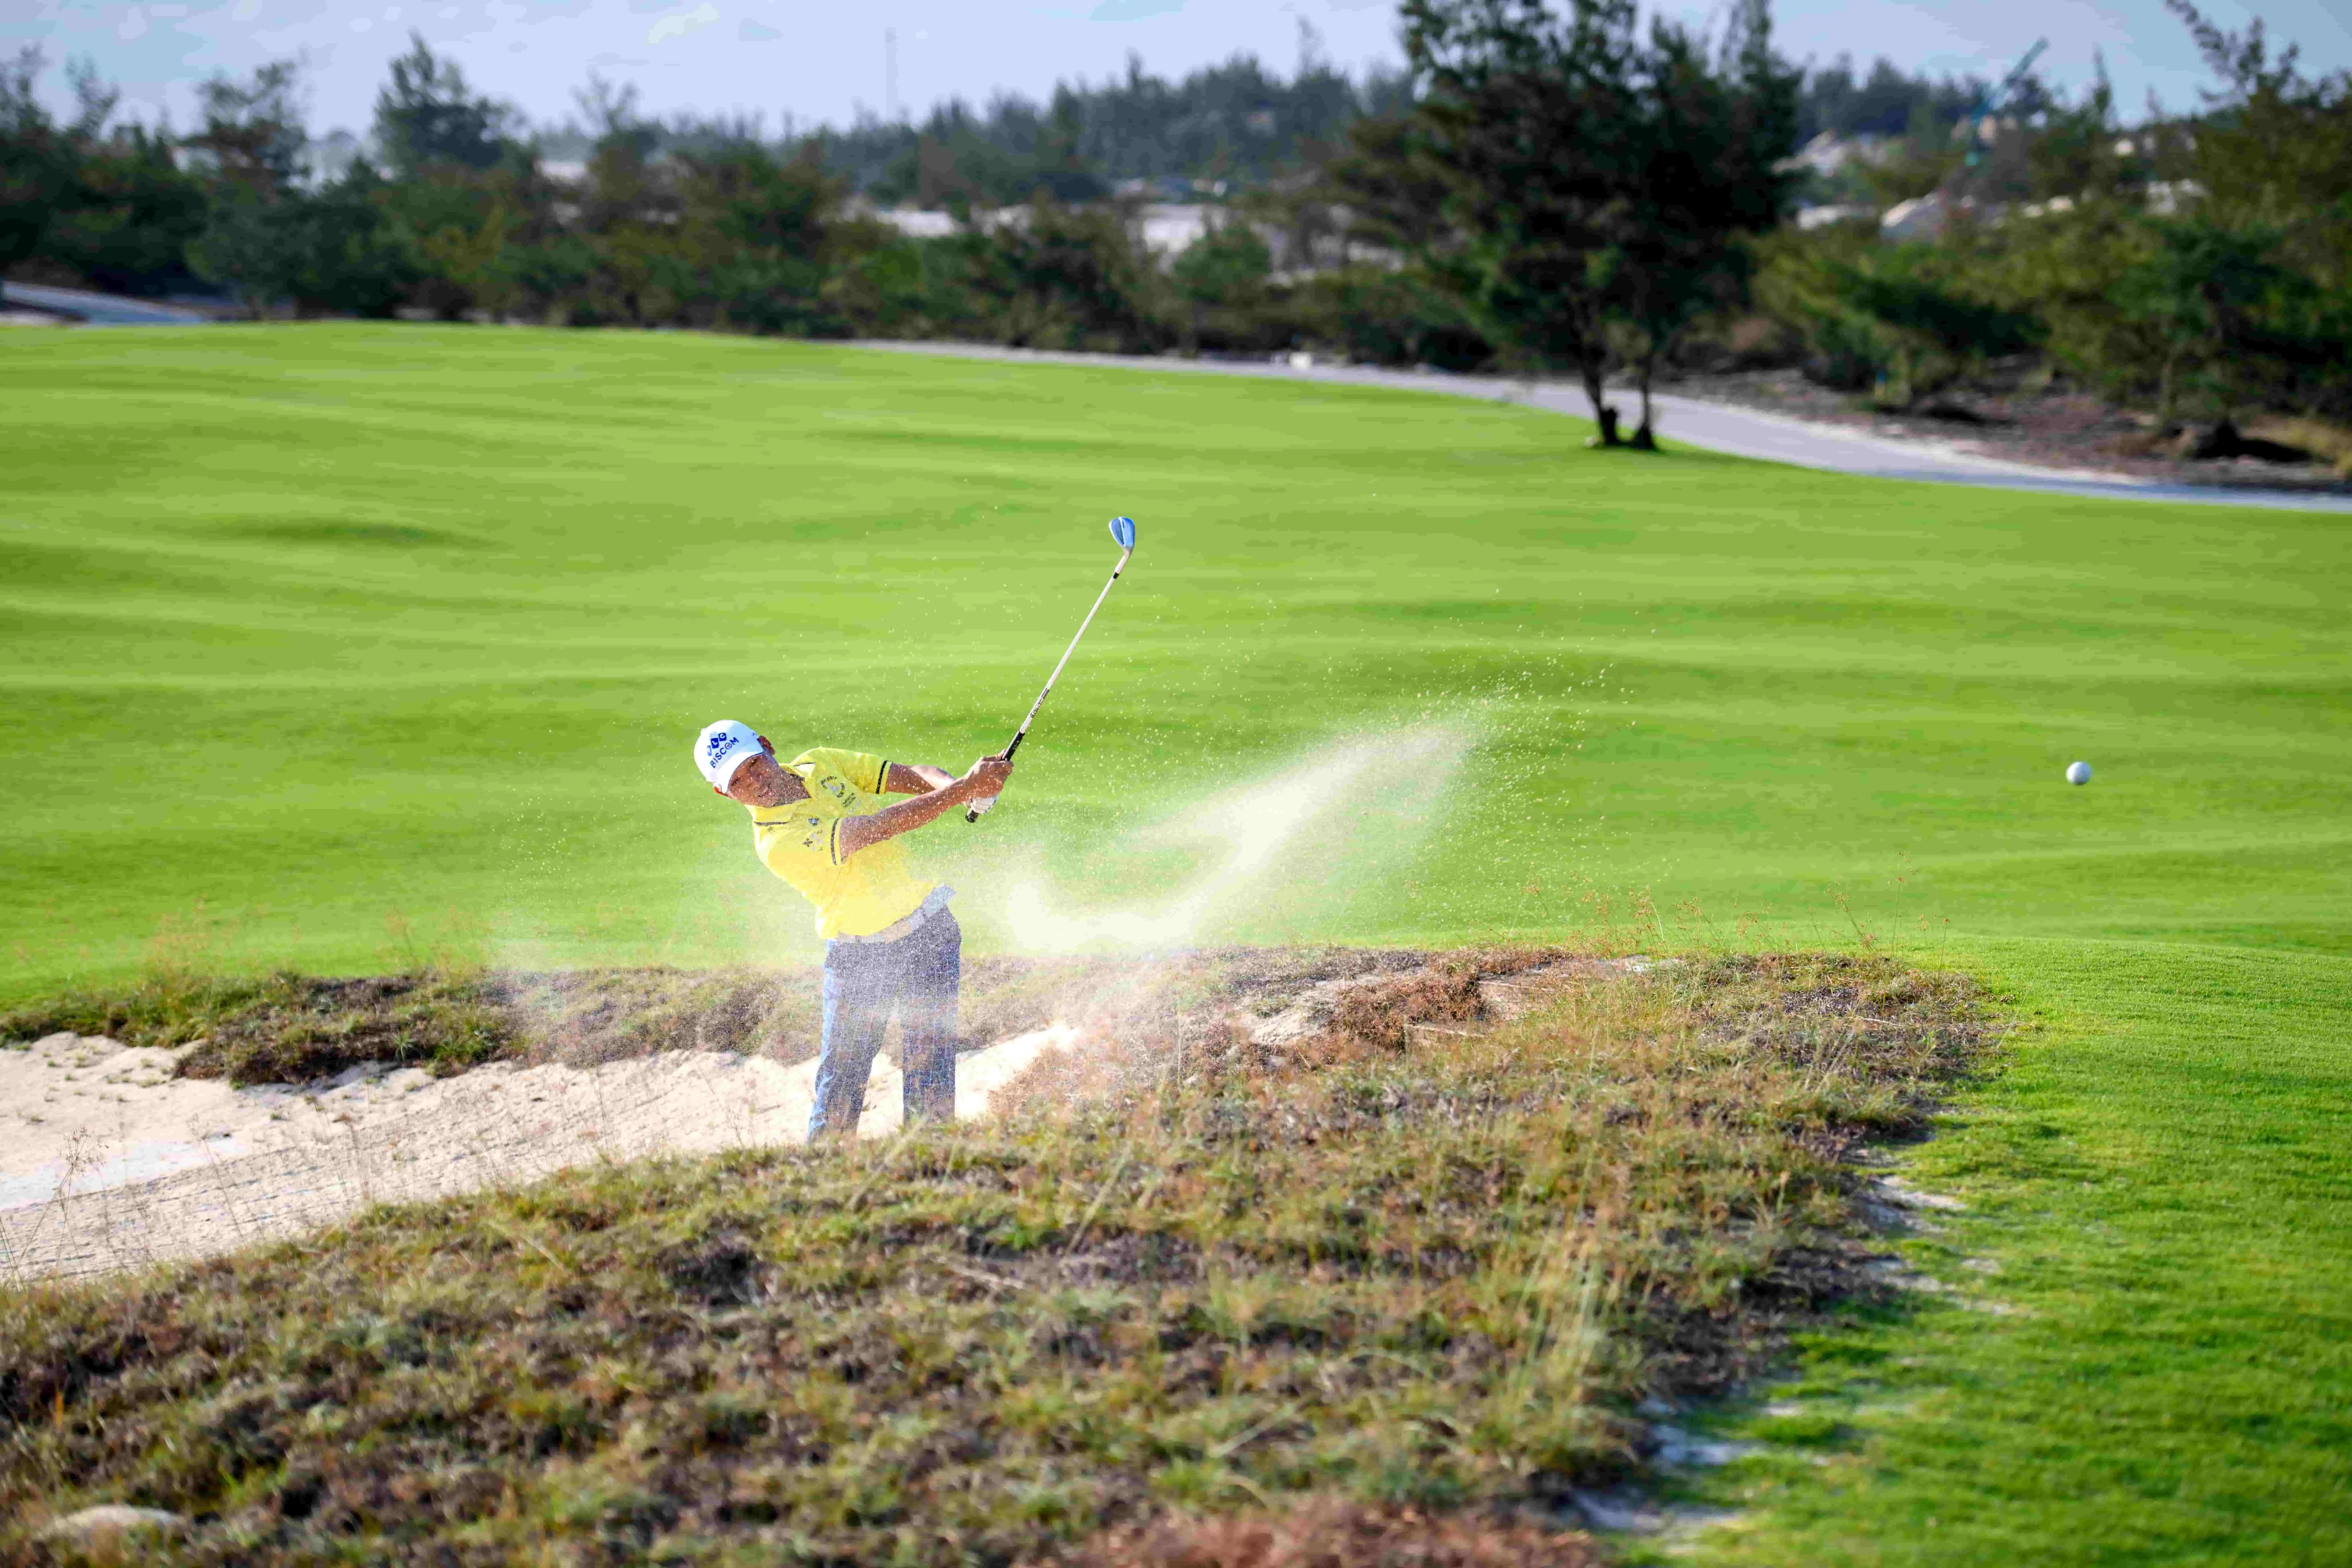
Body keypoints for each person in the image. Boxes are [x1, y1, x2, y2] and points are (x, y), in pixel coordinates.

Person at [693, 720, 1013, 1140]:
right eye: (737, 782)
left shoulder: (820, 762)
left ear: (767, 747)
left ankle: (930, 1164)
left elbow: (912, 776)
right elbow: (877, 828)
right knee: (842, 1080)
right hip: (860, 959)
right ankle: (824, 1172)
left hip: (930, 932)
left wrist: (966, 788)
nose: (754, 783)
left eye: (754, 765)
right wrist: (963, 790)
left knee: (931, 1062)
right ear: (724, 793)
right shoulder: (775, 841)